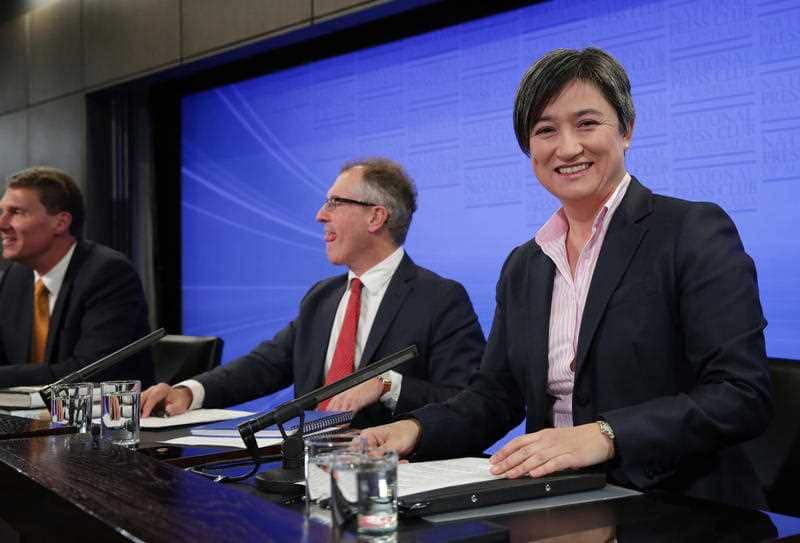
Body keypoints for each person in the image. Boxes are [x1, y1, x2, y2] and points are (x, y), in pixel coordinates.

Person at [362, 48, 772, 509]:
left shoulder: (691, 232)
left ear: (626, 129)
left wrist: (605, 436)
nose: (568, 147)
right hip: (556, 504)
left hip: (677, 506)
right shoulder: (525, 264)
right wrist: (416, 429)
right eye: (545, 130)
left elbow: (740, 395)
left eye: (587, 123)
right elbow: (496, 396)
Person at [141, 158, 485, 427]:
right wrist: (189, 391)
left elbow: (467, 400)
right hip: (305, 466)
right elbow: (265, 365)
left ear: (376, 217)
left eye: (335, 202)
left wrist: (388, 384)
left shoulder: (440, 299)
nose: (320, 215)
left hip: (388, 476)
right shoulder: (322, 297)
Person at [0, 166, 153, 387]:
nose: (2, 224)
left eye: (16, 212)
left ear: (60, 223)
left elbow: (89, 370)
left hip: (105, 417)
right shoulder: (16, 277)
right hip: (31, 416)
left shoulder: (108, 273)